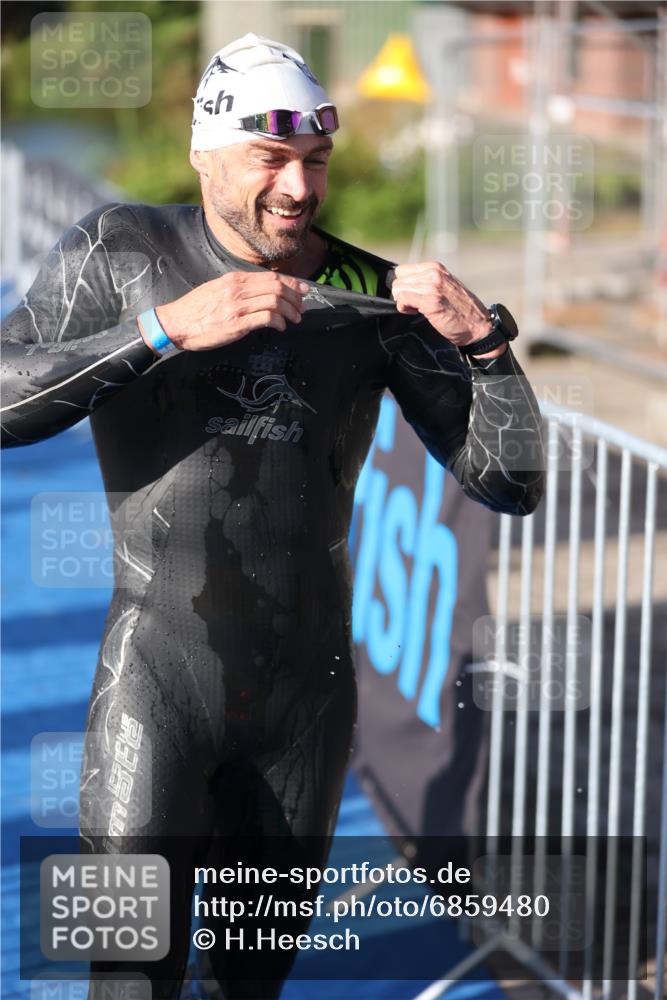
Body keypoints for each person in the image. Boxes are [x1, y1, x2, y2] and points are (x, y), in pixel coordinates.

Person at [1, 33, 544, 1000]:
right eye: (270, 160)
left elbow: (511, 481)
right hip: (152, 687)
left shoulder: (366, 295)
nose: (298, 189)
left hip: (304, 706)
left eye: (317, 162)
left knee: (249, 987)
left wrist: (486, 347)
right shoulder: (119, 251)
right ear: (206, 155)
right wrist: (164, 331)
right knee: (127, 978)